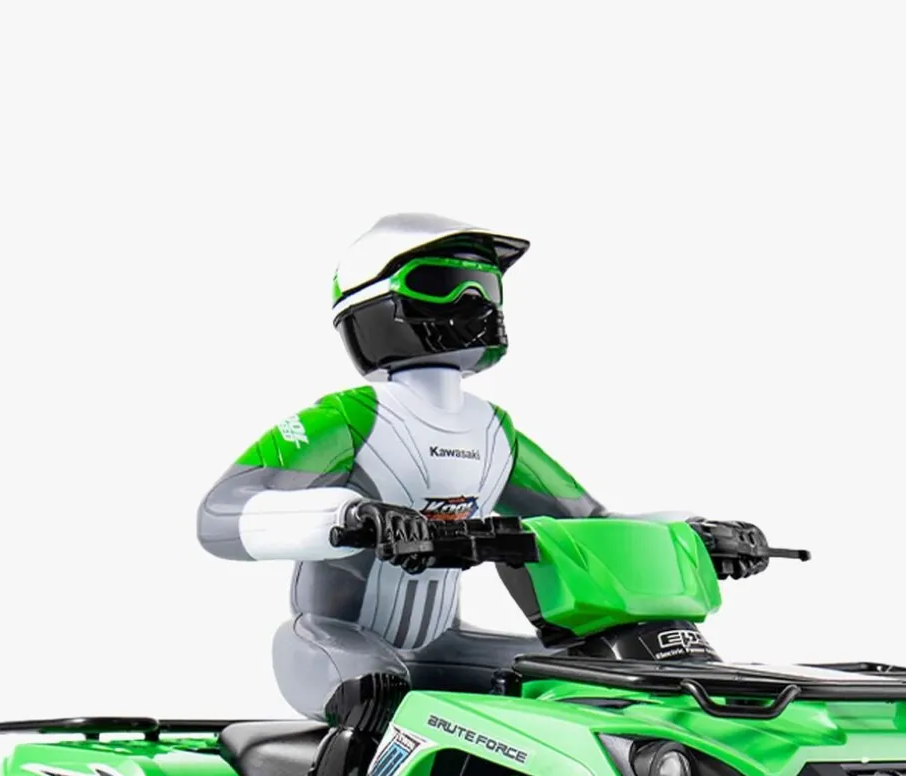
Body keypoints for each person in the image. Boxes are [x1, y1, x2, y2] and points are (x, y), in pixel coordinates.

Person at [197, 211, 705, 719]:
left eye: (487, 287)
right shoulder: (348, 419)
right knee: (374, 696)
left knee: (587, 675)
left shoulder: (493, 431)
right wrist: (348, 516)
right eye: (445, 284)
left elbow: (590, 523)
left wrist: (690, 533)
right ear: (373, 306)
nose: (476, 302)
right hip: (333, 640)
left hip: (441, 642)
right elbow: (219, 514)